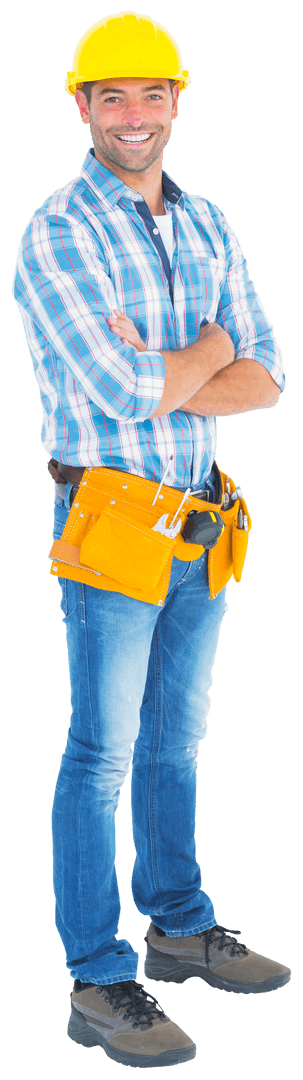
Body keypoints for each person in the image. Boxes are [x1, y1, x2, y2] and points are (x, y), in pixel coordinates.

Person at [12, 11, 291, 1070]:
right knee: (102, 754)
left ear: (178, 102)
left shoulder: (208, 221)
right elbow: (125, 390)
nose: (135, 115)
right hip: (112, 519)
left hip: (201, 516)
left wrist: (197, 354)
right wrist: (206, 345)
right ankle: (98, 975)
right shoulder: (57, 232)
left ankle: (178, 922)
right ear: (82, 106)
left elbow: (268, 372)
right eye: (113, 96)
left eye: (153, 95)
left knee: (179, 740)